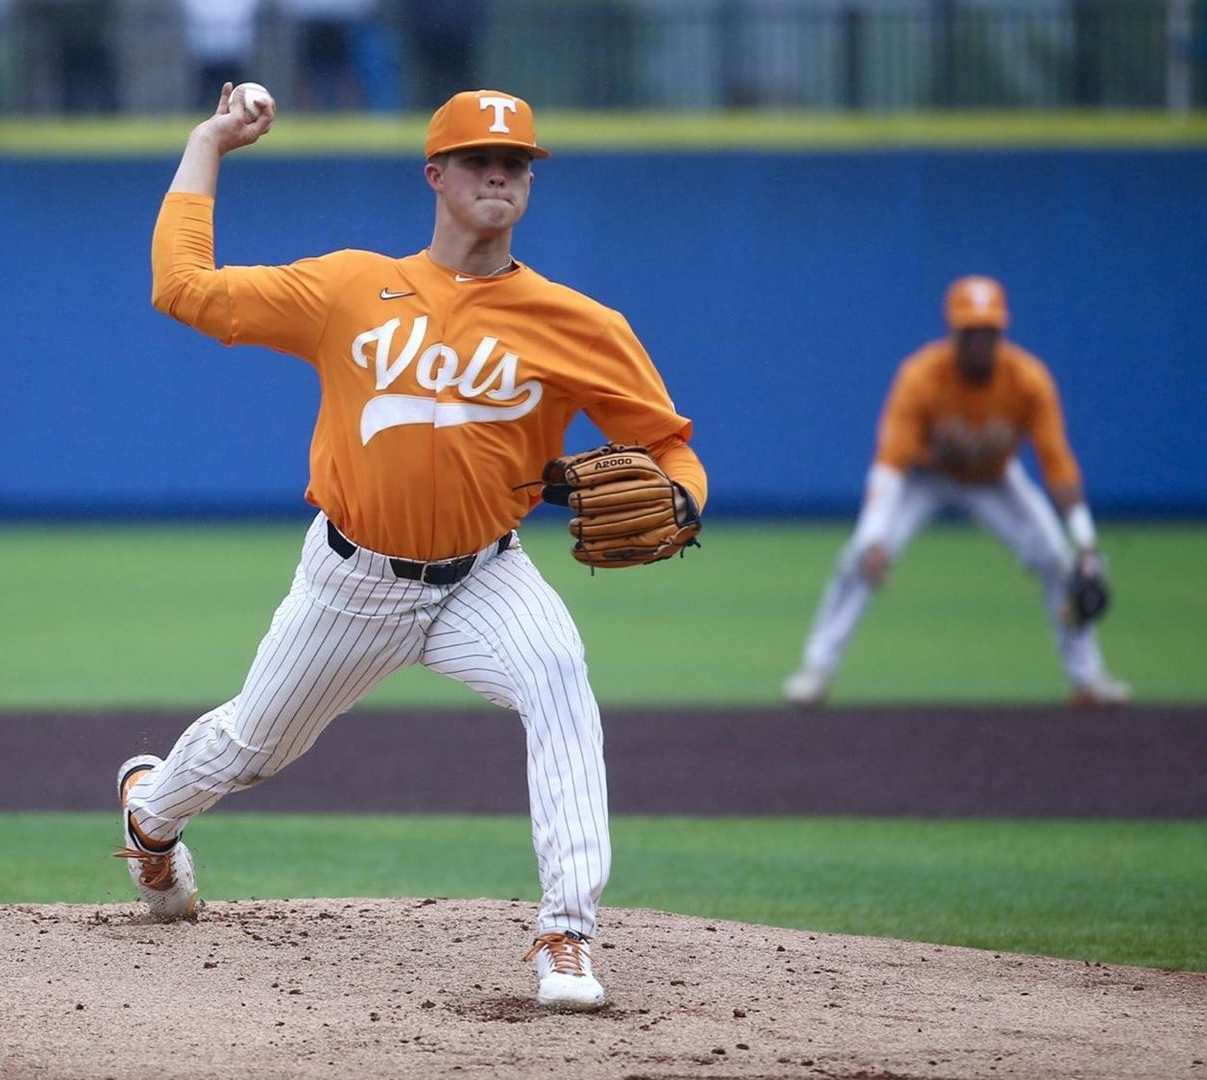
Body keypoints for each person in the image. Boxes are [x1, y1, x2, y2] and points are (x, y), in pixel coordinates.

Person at [118, 87, 708, 1011]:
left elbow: (669, 442)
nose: (501, 175)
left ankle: (567, 933)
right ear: (435, 175)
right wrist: (206, 145)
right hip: (352, 584)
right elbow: (182, 288)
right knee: (251, 747)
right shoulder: (350, 288)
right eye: (480, 160)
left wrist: (683, 496)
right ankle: (151, 816)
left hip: (486, 575)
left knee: (558, 674)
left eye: (517, 164)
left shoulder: (577, 323)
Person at [784, 276, 1132, 709]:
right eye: (971, 332)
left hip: (996, 478)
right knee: (859, 556)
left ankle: (1088, 680)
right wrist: (875, 537)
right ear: (954, 332)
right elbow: (890, 465)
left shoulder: (1028, 381)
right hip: (925, 478)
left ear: (1001, 333)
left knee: (1063, 564)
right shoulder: (921, 377)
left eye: (989, 331)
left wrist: (1087, 543)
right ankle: (816, 671)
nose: (980, 341)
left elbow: (1058, 467)